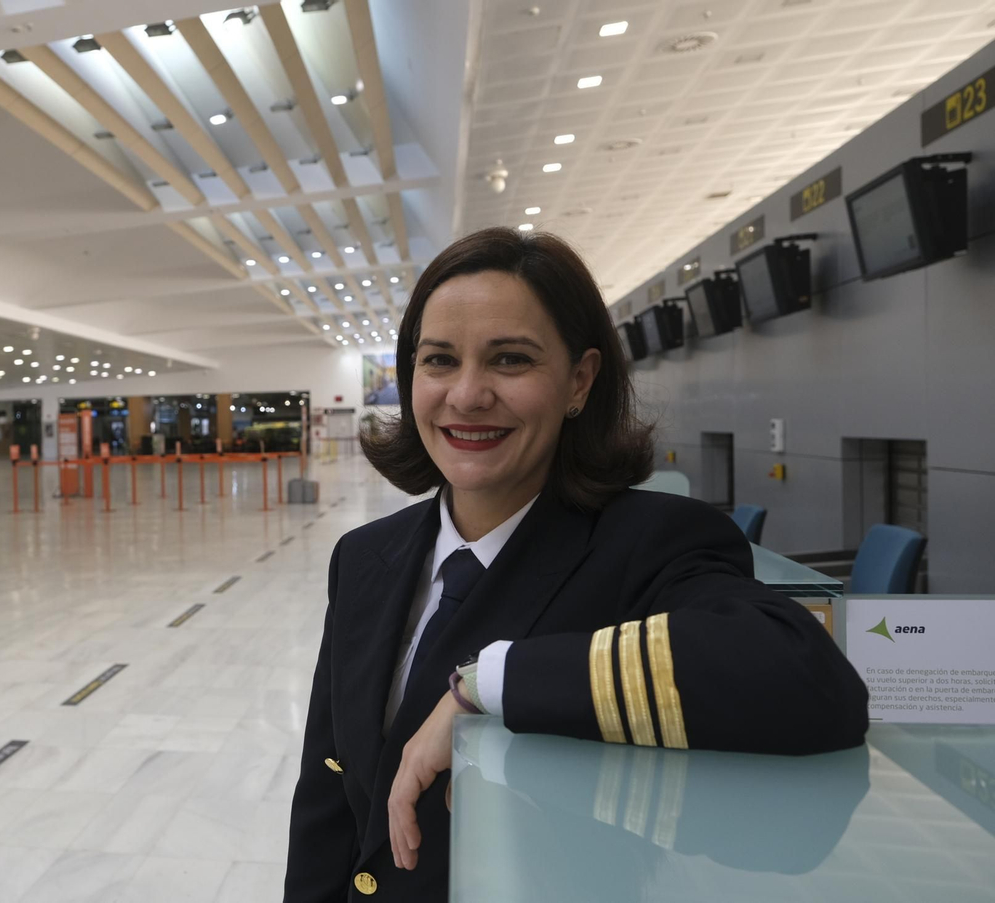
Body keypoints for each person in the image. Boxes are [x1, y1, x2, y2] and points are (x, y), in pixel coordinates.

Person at [283, 228, 868, 902]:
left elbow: (805, 676)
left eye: (510, 360)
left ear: (579, 382)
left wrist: (484, 685)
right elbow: (327, 801)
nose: (467, 394)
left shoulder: (649, 545)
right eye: (439, 359)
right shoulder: (364, 558)